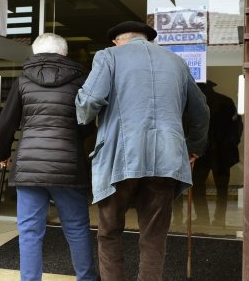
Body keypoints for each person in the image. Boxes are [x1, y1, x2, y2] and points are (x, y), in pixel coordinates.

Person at [75, 21, 209, 281]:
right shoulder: (176, 62)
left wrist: (83, 114)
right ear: (148, 39)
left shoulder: (108, 56)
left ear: (117, 40)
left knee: (110, 231)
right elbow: (201, 110)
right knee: (154, 235)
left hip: (120, 158)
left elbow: (90, 100)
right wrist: (193, 147)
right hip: (167, 158)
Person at [0, 33, 98, 281]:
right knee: (76, 228)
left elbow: (5, 124)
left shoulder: (22, 81)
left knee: (29, 231)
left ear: (35, 53)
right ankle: (87, 278)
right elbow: (86, 125)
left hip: (30, 165)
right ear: (64, 53)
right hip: (68, 165)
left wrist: (3, 154)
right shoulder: (81, 81)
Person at [189, 81, 242, 227]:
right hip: (222, 152)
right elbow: (237, 127)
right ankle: (219, 219)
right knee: (222, 189)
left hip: (203, 152)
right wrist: (230, 144)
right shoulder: (226, 101)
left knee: (198, 186)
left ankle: (202, 217)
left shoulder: (196, 104)